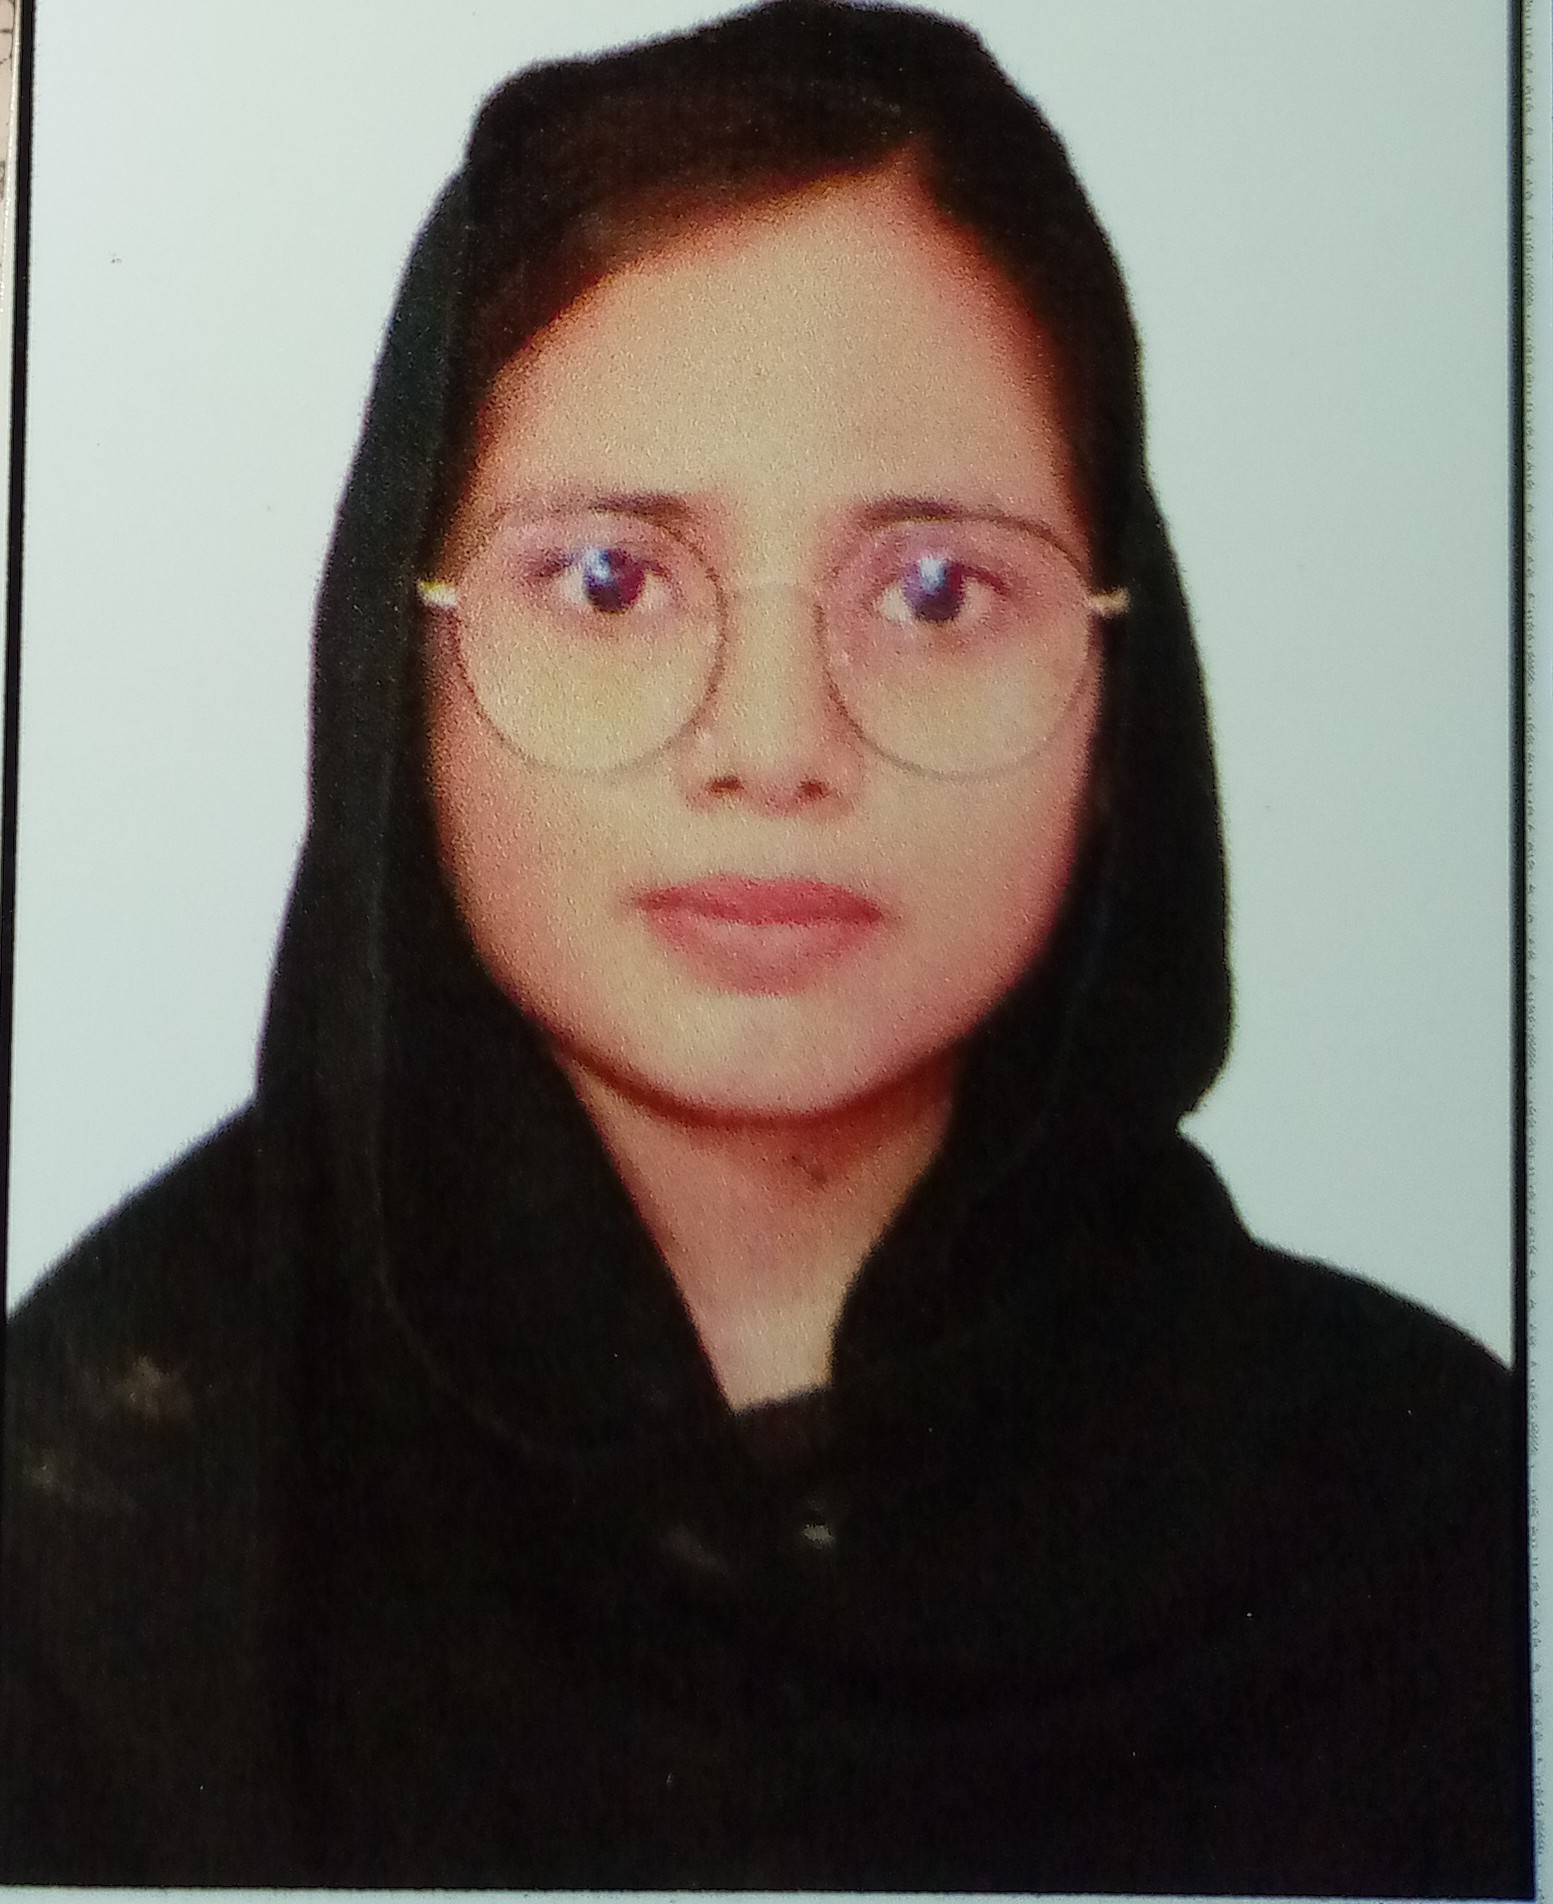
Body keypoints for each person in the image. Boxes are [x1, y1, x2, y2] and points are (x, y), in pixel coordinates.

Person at [0, 0, 1531, 1889]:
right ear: (398, 664)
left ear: (1121, 685)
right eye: (611, 579)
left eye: (935, 589)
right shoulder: (102, 1517)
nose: (777, 743)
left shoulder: (1429, 1521)